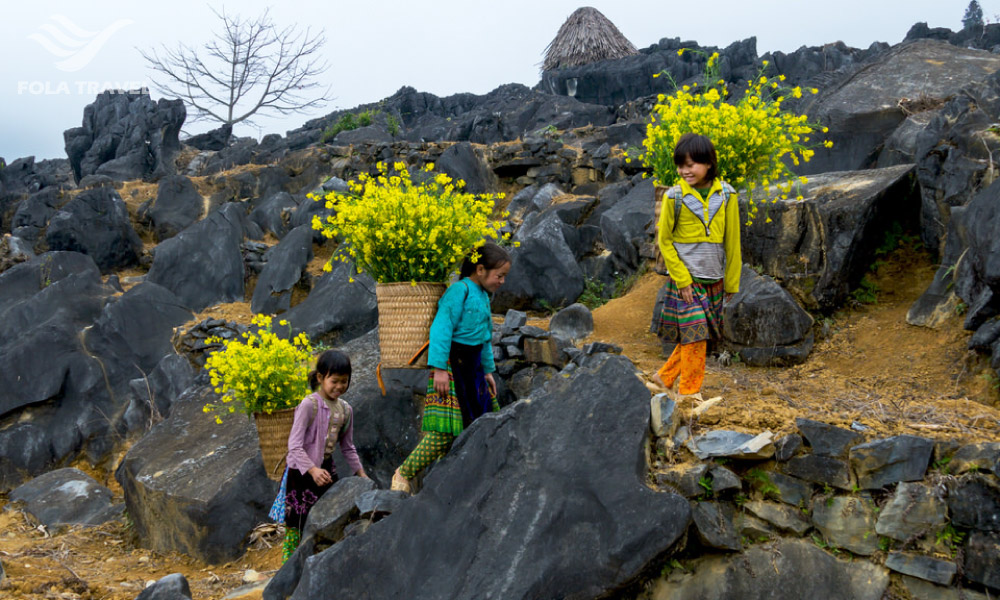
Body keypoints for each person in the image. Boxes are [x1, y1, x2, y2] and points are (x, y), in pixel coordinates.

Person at [391, 241, 512, 493]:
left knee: (478, 424)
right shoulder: (460, 291)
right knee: (445, 433)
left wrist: (488, 371)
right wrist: (439, 370)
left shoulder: (483, 296)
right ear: (480, 269)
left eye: (504, 277)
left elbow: (484, 337)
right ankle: (403, 473)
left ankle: (452, 485)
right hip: (452, 367)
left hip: (474, 369)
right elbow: (441, 327)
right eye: (499, 276)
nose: (502, 281)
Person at [653, 133, 741, 402]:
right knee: (695, 339)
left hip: (714, 280)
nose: (684, 170)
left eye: (691, 164)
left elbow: (733, 241)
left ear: (709, 164)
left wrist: (731, 282)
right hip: (687, 283)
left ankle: (663, 378)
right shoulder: (674, 197)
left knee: (698, 335)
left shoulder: (727, 195)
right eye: (681, 165)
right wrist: (682, 280)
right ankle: (689, 393)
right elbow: (664, 241)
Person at [277, 349, 368, 561]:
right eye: (334, 381)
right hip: (301, 473)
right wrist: (312, 470)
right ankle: (287, 572)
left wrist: (361, 474)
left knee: (329, 519)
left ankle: (318, 563)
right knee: (296, 526)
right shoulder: (310, 405)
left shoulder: (346, 410)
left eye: (344, 382)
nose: (339, 387)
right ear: (320, 378)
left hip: (326, 471)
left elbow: (348, 447)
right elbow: (294, 445)